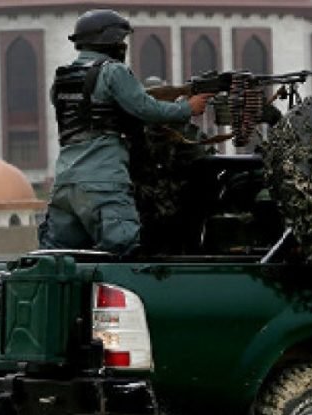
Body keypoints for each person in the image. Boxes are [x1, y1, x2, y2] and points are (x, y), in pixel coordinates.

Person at [38, 9, 212, 255]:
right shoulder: (113, 71)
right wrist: (187, 108)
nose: (123, 46)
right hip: (103, 181)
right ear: (109, 41)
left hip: (65, 183)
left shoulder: (63, 77)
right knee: (124, 251)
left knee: (58, 257)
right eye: (120, 40)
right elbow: (145, 108)